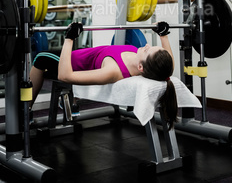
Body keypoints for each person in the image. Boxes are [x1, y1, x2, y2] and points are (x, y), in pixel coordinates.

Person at [30, 21, 178, 129]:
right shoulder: (144, 61)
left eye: (148, 50)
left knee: (40, 58)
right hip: (84, 54)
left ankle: (25, 112)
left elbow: (65, 76)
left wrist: (69, 38)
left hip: (70, 62)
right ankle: (70, 99)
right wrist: (163, 36)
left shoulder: (113, 71)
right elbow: (168, 65)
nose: (146, 45)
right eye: (150, 46)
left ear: (141, 67)